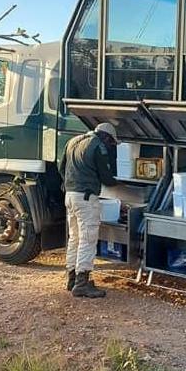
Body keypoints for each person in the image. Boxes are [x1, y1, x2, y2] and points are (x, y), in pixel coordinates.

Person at [58, 122, 118, 298]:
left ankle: (71, 278)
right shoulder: (98, 146)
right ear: (106, 137)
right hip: (86, 198)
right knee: (87, 238)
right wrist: (121, 184)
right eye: (112, 143)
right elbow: (106, 178)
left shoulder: (73, 141)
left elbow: (61, 168)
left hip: (70, 195)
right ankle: (82, 283)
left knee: (74, 238)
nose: (111, 146)